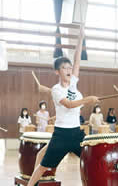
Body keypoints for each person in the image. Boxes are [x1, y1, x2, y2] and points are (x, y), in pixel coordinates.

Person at [27, 25, 100, 186]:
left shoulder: (73, 83)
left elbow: (77, 60)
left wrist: (80, 39)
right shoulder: (56, 89)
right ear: (57, 72)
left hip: (76, 133)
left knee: (92, 160)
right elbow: (69, 105)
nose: (68, 69)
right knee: (44, 166)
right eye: (64, 68)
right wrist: (88, 100)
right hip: (61, 135)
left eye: (69, 67)